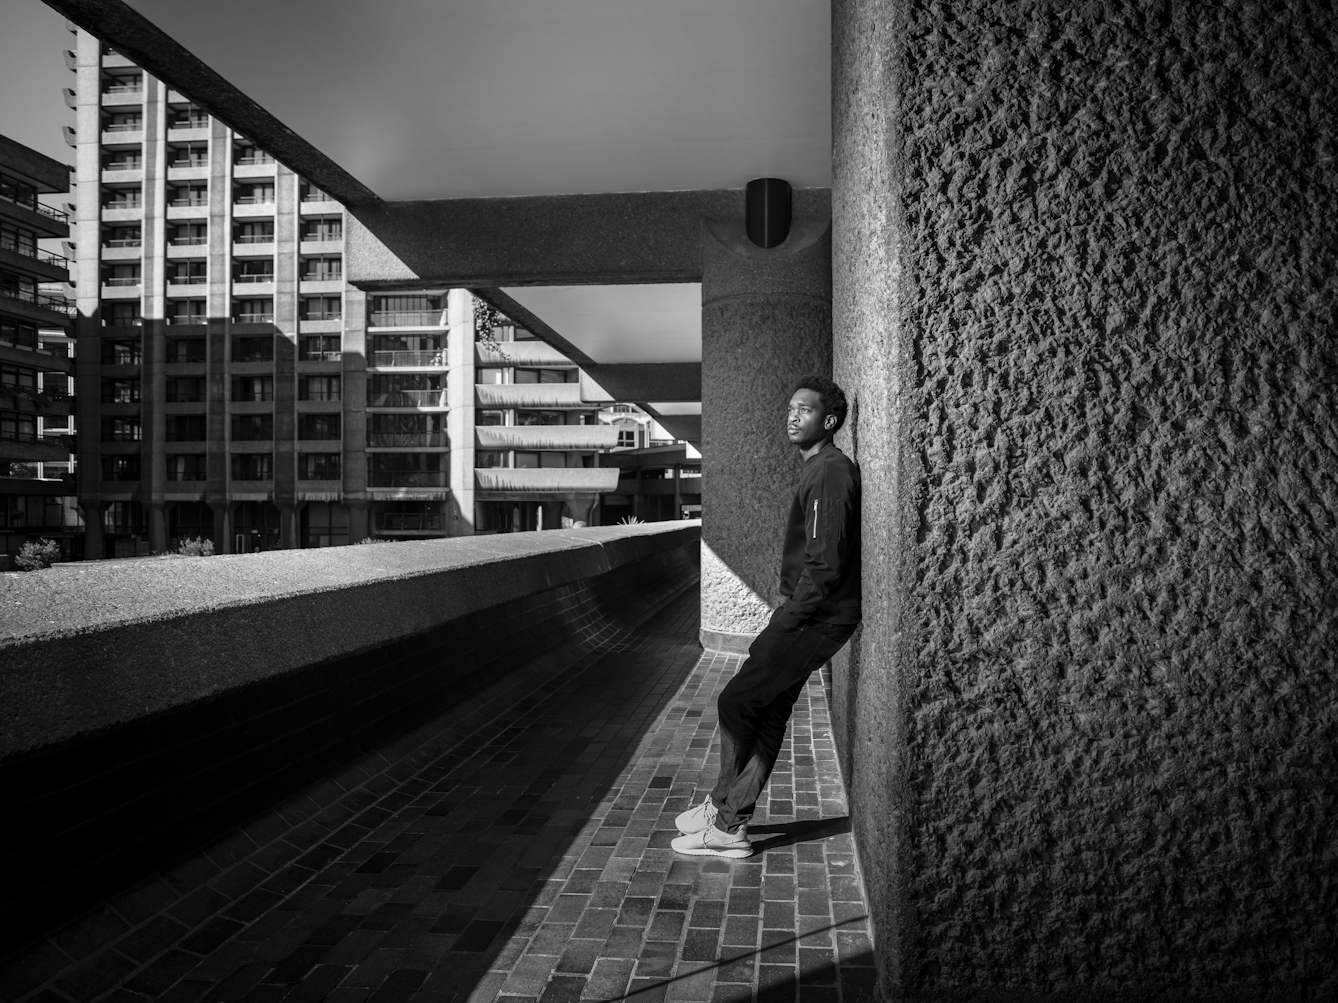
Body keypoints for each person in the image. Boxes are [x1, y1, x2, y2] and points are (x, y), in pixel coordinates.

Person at [672, 375, 861, 858]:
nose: (793, 415)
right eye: (792, 408)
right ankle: (729, 822)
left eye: (806, 409)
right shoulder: (819, 469)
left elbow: (825, 561)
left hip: (814, 619)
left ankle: (725, 814)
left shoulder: (831, 471)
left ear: (830, 421)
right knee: (769, 710)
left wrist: (786, 619)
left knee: (736, 703)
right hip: (814, 617)